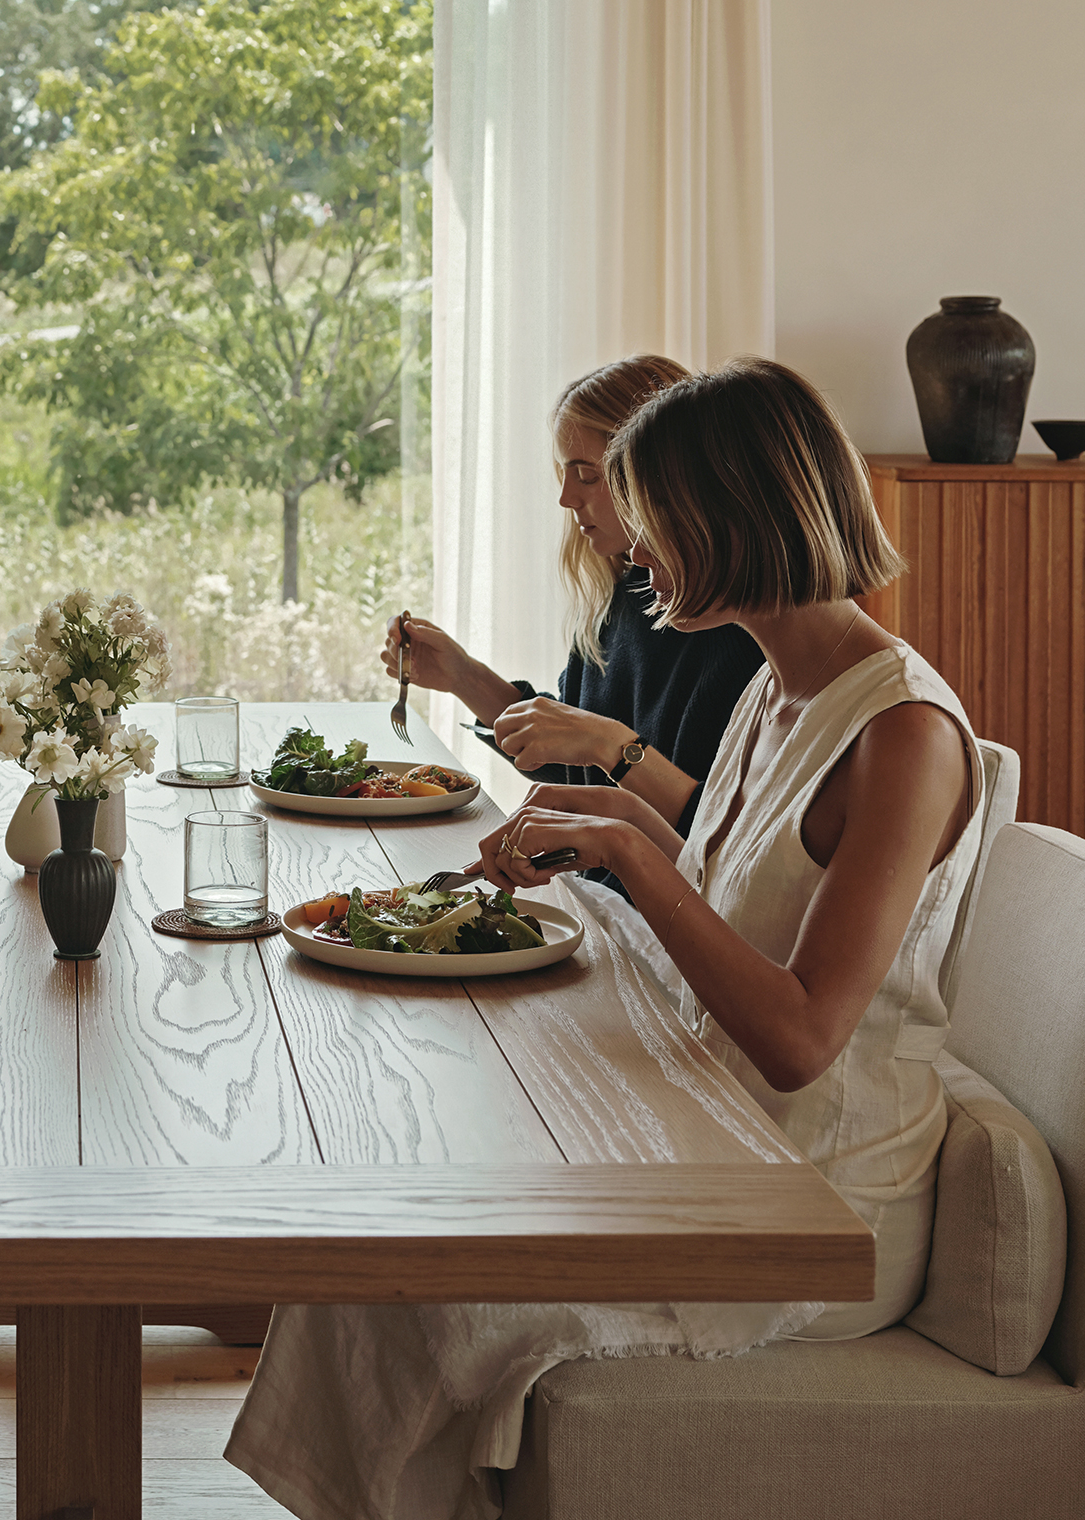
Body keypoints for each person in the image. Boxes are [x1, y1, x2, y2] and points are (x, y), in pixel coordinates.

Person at [229, 357, 983, 1520]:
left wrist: (630, 852)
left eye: (656, 520)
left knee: (422, 1294)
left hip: (814, 1207)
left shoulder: (902, 735)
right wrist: (618, 817)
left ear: (735, 516)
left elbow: (798, 1034)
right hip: (712, 1142)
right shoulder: (776, 688)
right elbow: (747, 890)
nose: (634, 551)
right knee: (373, 1256)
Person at [385, 355, 765, 860]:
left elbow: (725, 845)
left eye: (587, 475)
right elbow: (576, 761)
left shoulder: (739, 636)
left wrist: (615, 746)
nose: (566, 498)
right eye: (565, 474)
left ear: (660, 475)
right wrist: (464, 676)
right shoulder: (629, 593)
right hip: (609, 893)